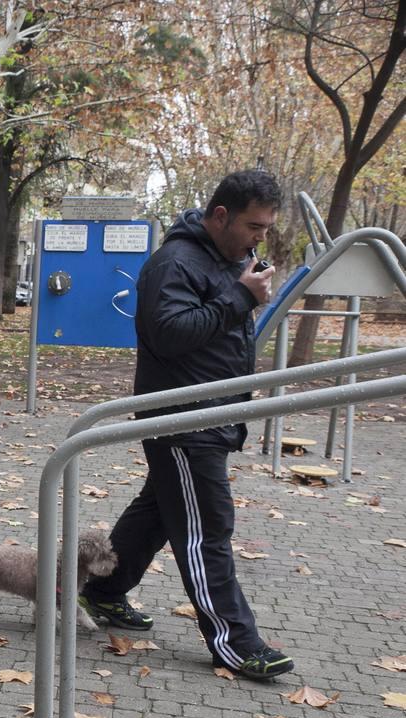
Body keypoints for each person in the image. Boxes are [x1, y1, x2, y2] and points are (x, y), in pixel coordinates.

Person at [78, 169, 295, 681]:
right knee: (206, 530)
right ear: (220, 216)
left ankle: (103, 592)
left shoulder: (230, 261)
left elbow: (220, 333)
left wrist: (244, 291)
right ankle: (236, 643)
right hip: (183, 421)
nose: (260, 237)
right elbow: (170, 334)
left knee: (158, 512)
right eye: (253, 226)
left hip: (210, 415)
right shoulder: (173, 263)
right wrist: (240, 297)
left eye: (265, 228)